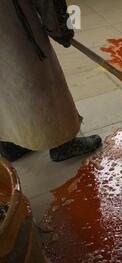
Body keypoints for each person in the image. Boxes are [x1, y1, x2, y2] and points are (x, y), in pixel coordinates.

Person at [0, 0, 102, 162]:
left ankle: (11, 142)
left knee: (6, 87)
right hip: (13, 25)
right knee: (36, 78)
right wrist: (60, 29)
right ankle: (62, 142)